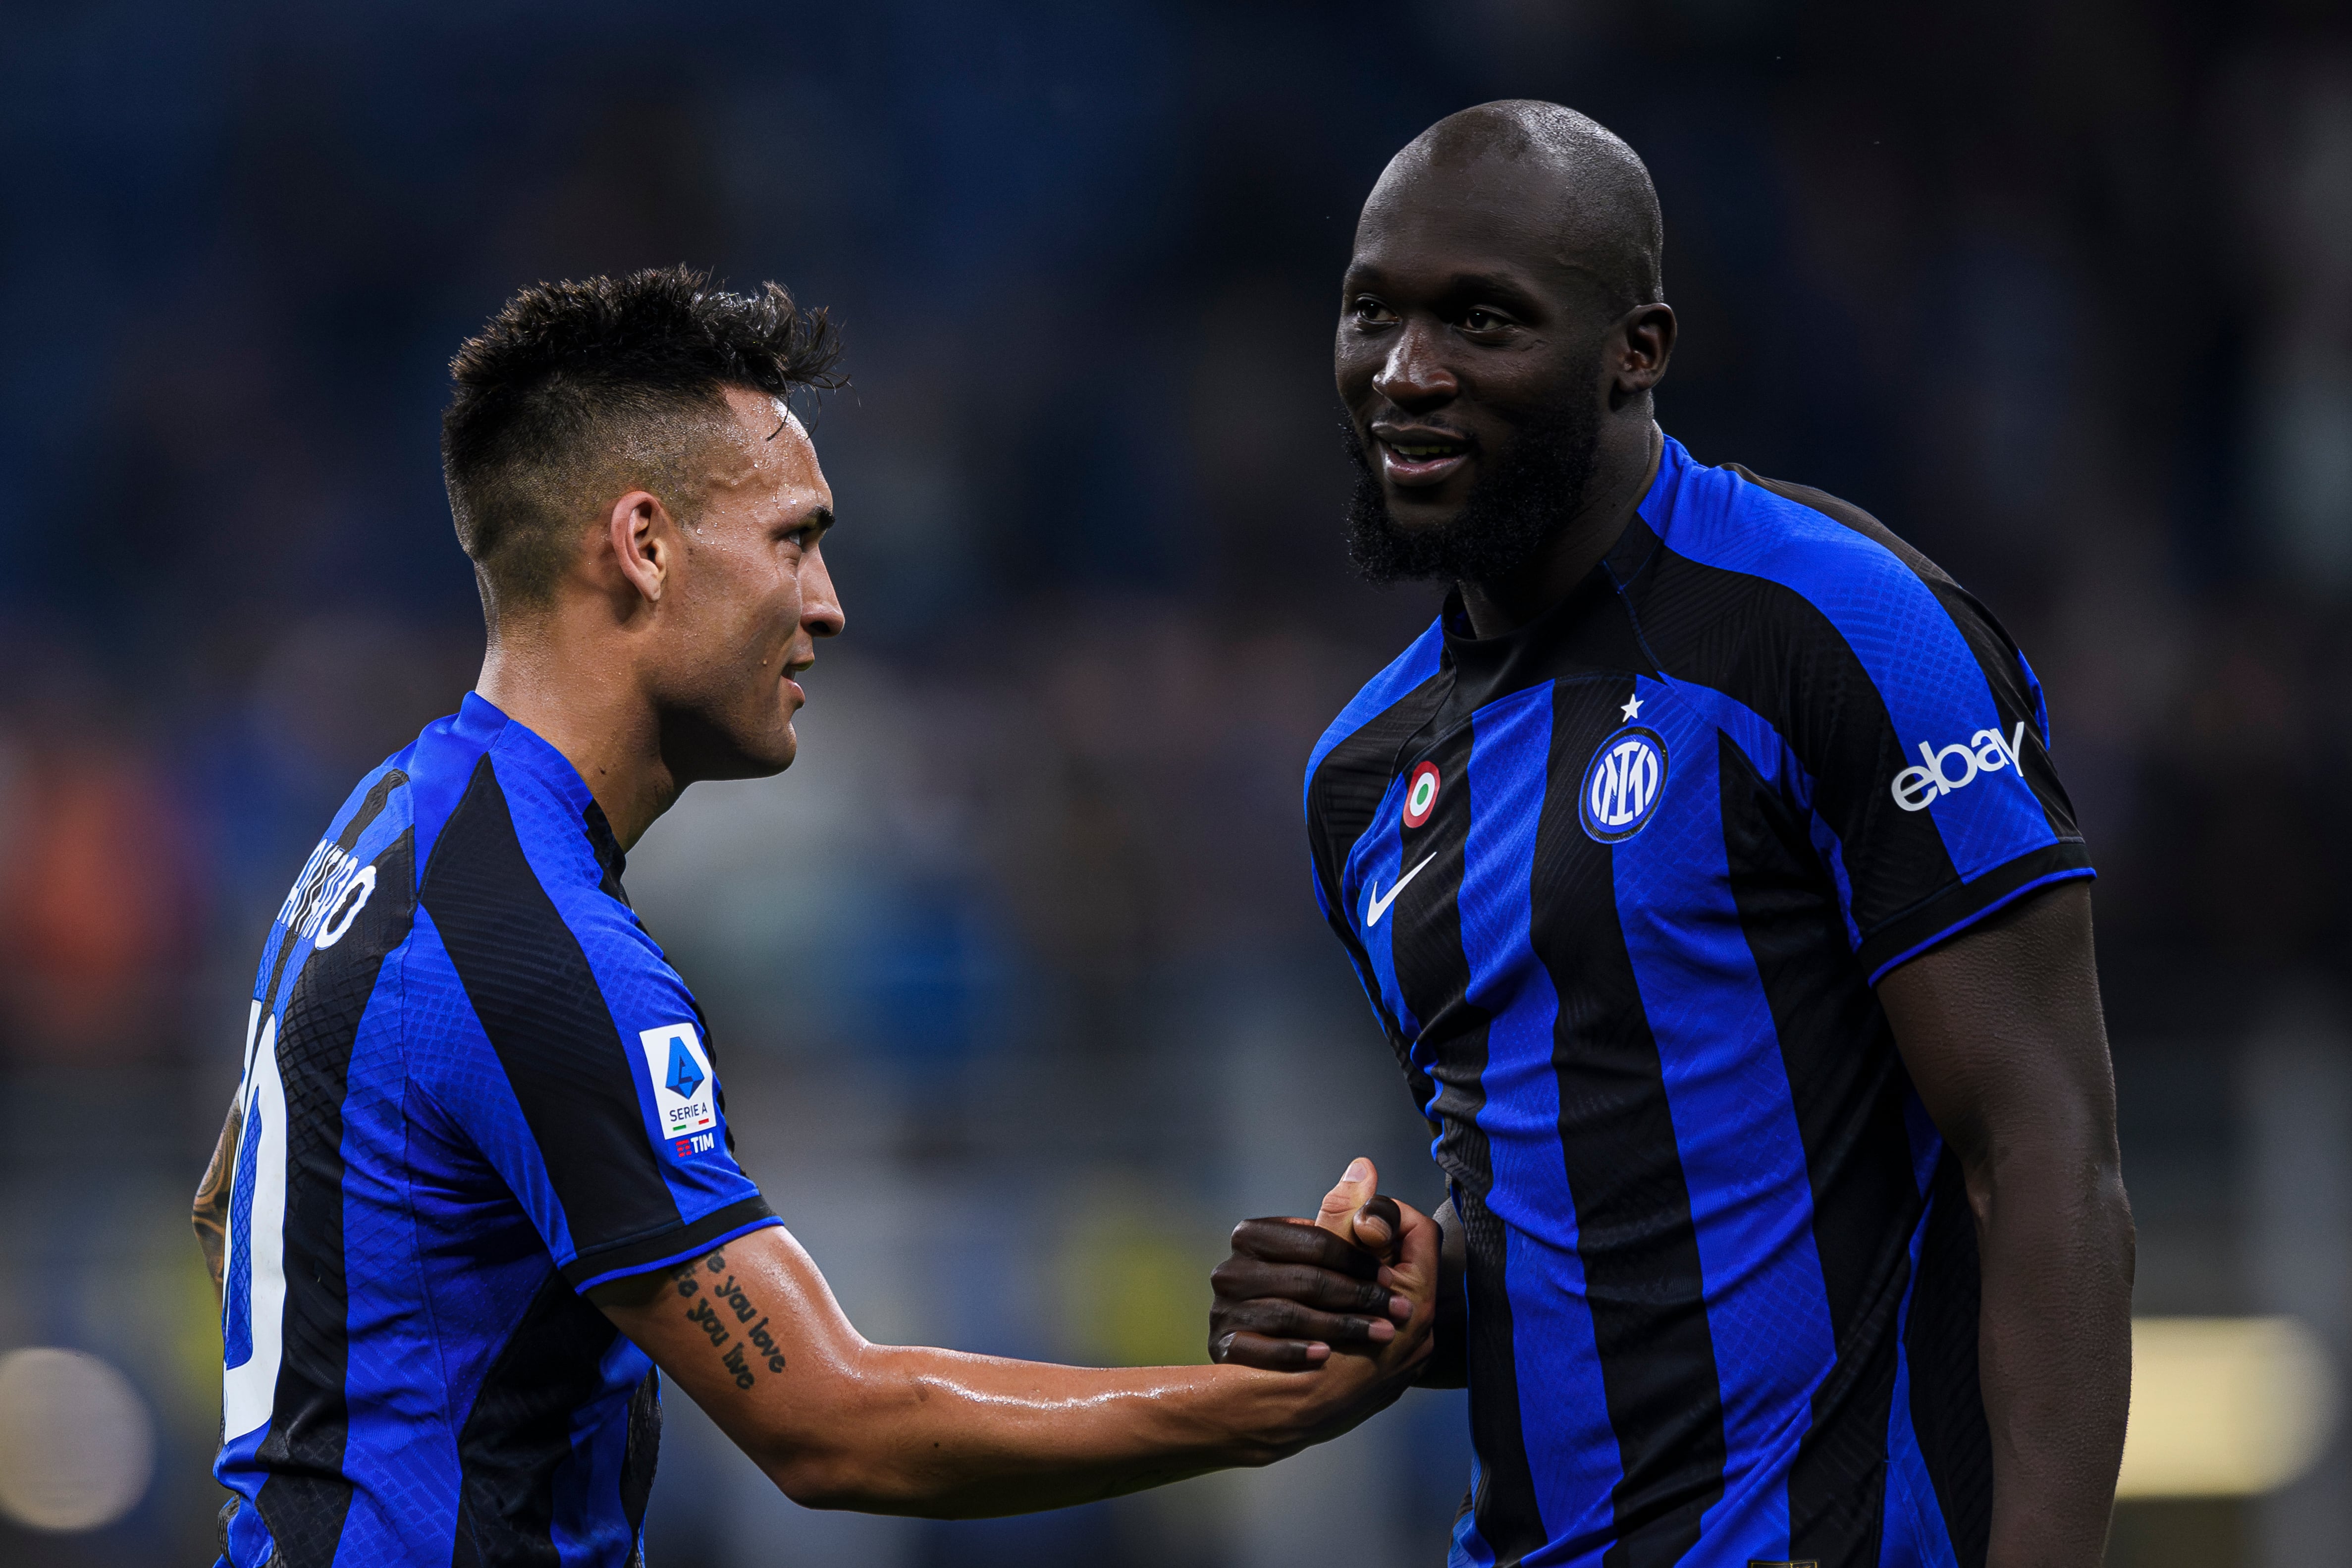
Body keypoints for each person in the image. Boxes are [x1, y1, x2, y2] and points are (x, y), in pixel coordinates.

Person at [189, 266, 1436, 1568]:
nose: (830, 604)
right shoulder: (532, 947)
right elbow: (833, 1427)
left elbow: (236, 1205)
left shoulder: (389, 820)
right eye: (794, 539)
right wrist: (1254, 1411)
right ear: (645, 545)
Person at [1206, 103, 2134, 1568]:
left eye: (1480, 321)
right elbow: (1582, 1232)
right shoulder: (1358, 785)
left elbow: (2041, 1157)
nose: (1405, 373)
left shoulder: (1835, 631)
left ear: (1635, 350)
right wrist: (1402, 1295)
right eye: (1370, 312)